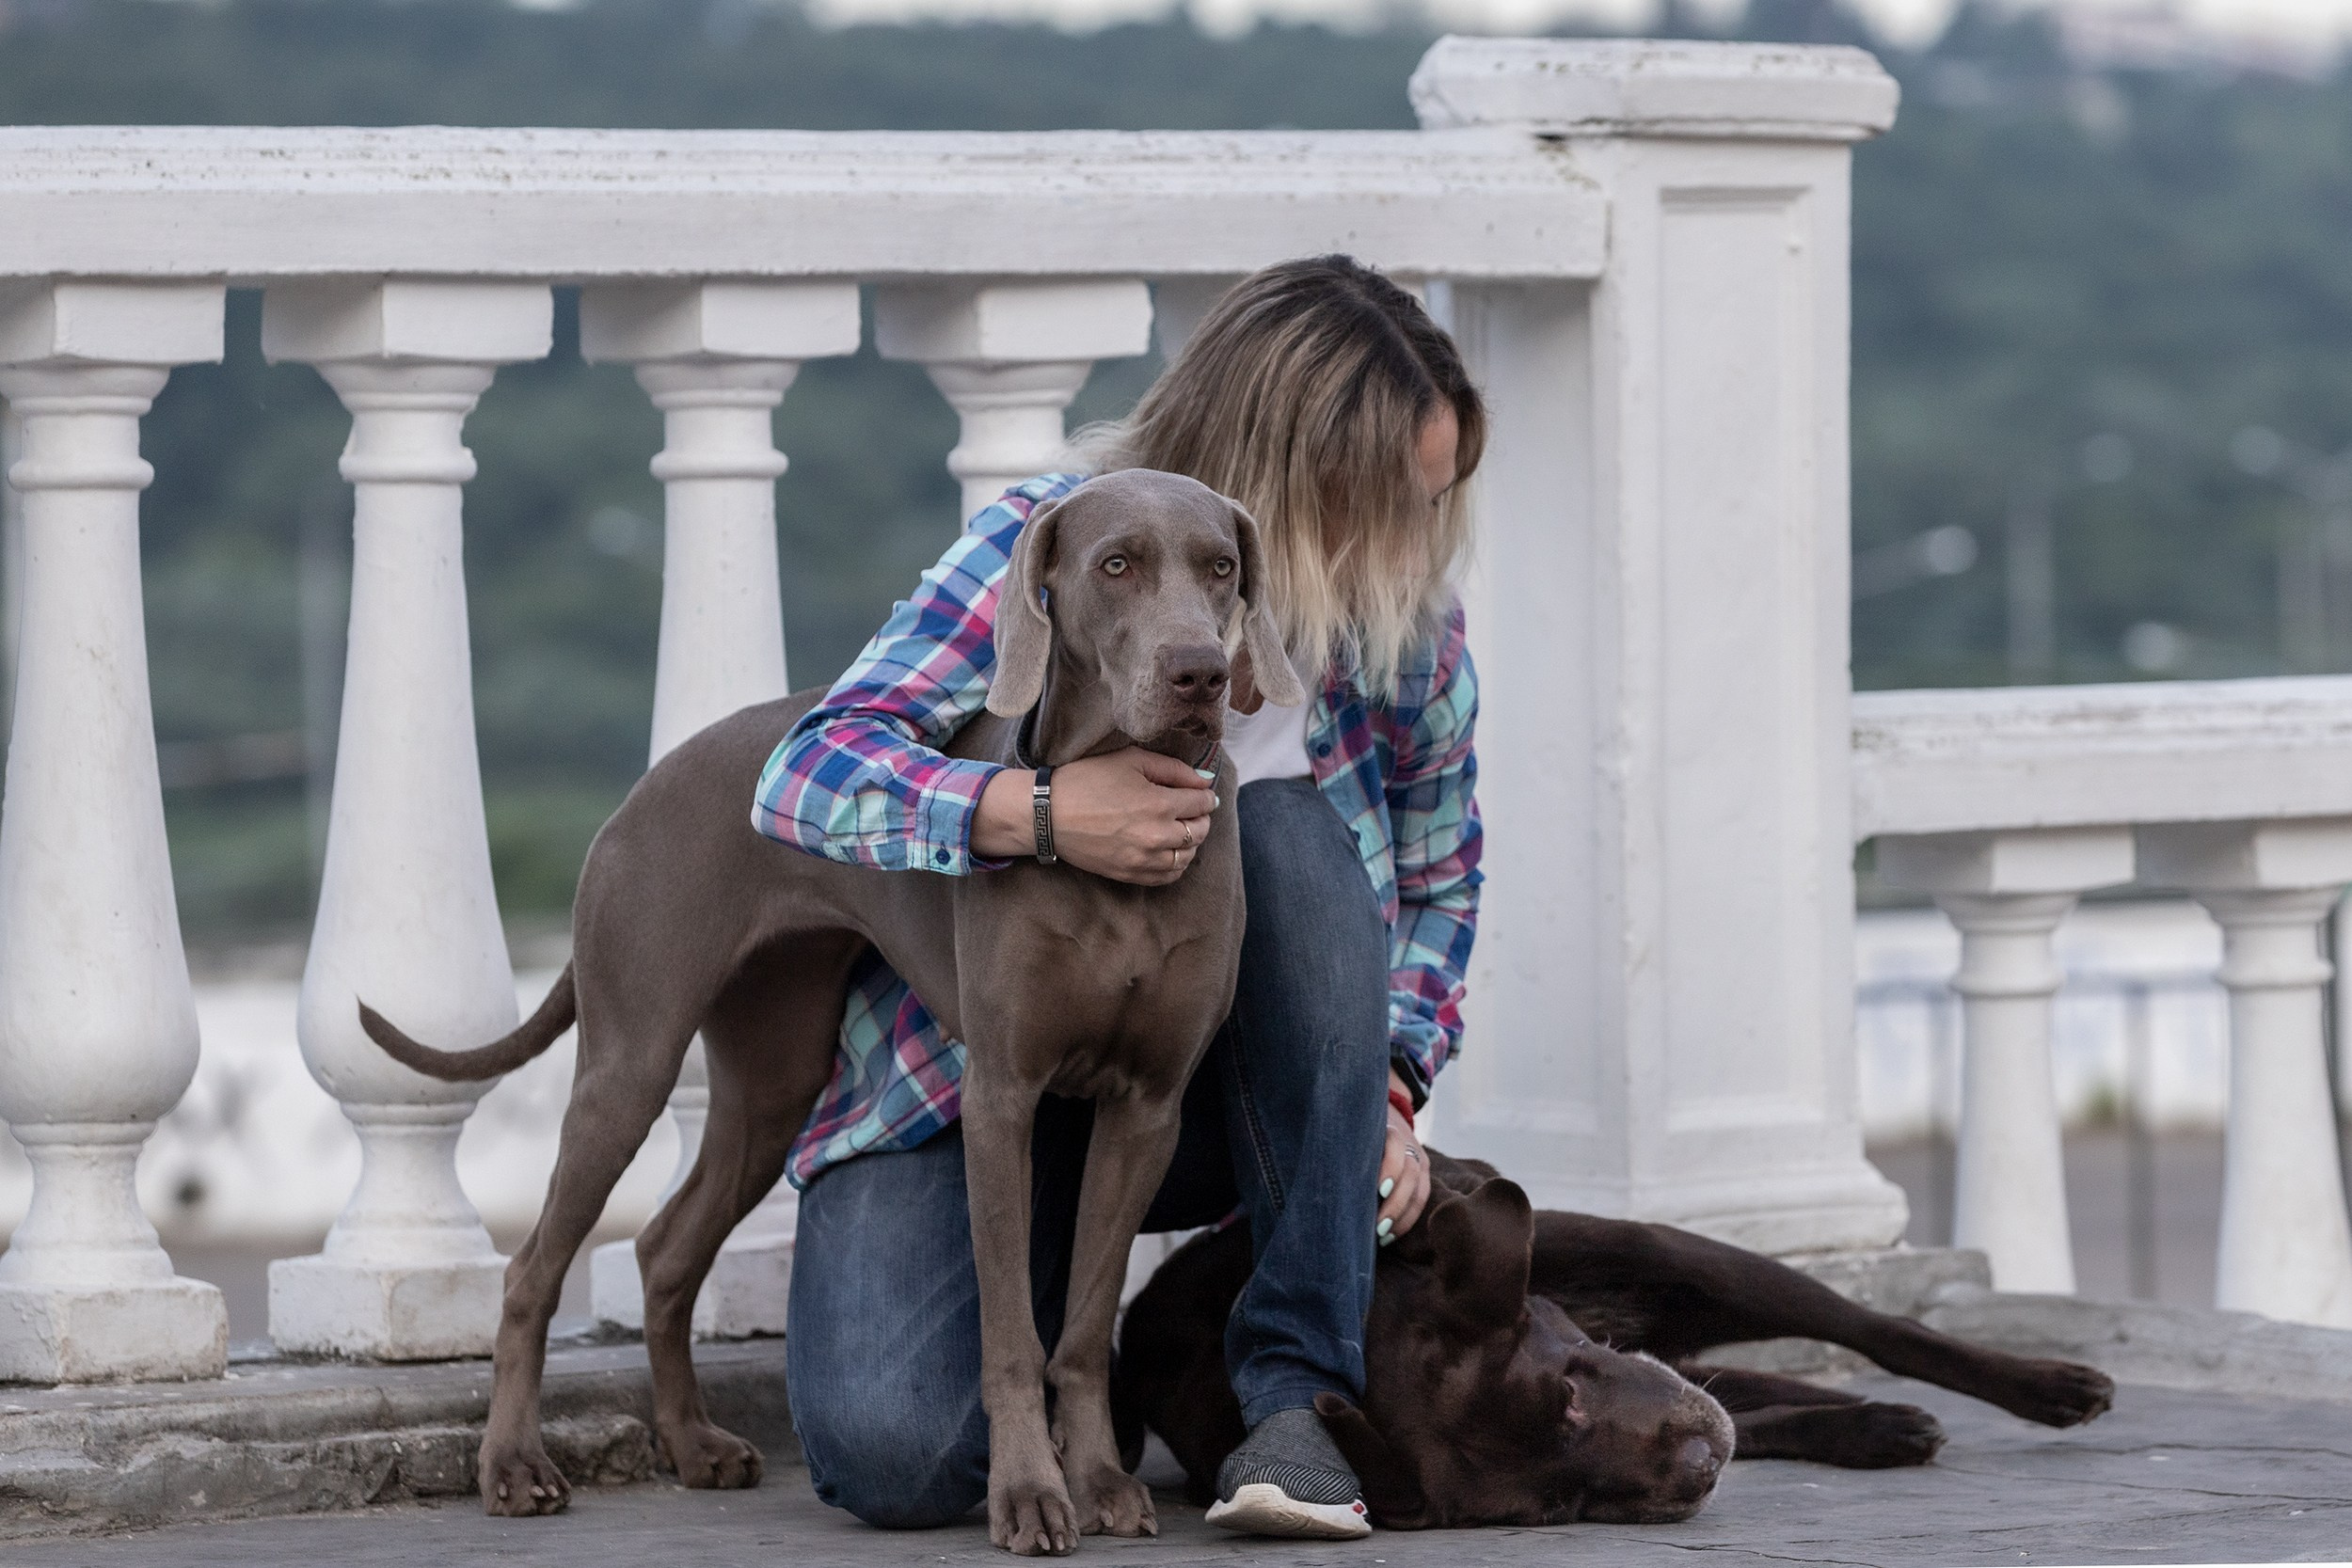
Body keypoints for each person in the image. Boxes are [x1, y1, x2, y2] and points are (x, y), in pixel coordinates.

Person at [750, 254, 1486, 1541]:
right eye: (1388, 505)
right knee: (898, 1455)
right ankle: (1079, 1367)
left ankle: (1294, 1404)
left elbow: (1441, 874)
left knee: (1294, 840)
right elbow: (806, 772)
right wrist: (1033, 812)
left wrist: (1393, 1086)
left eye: (1436, 504)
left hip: (1200, 1100)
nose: (1412, 547)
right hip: (973, 1097)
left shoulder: (1402, 626)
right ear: (1291, 462)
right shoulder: (1062, 536)